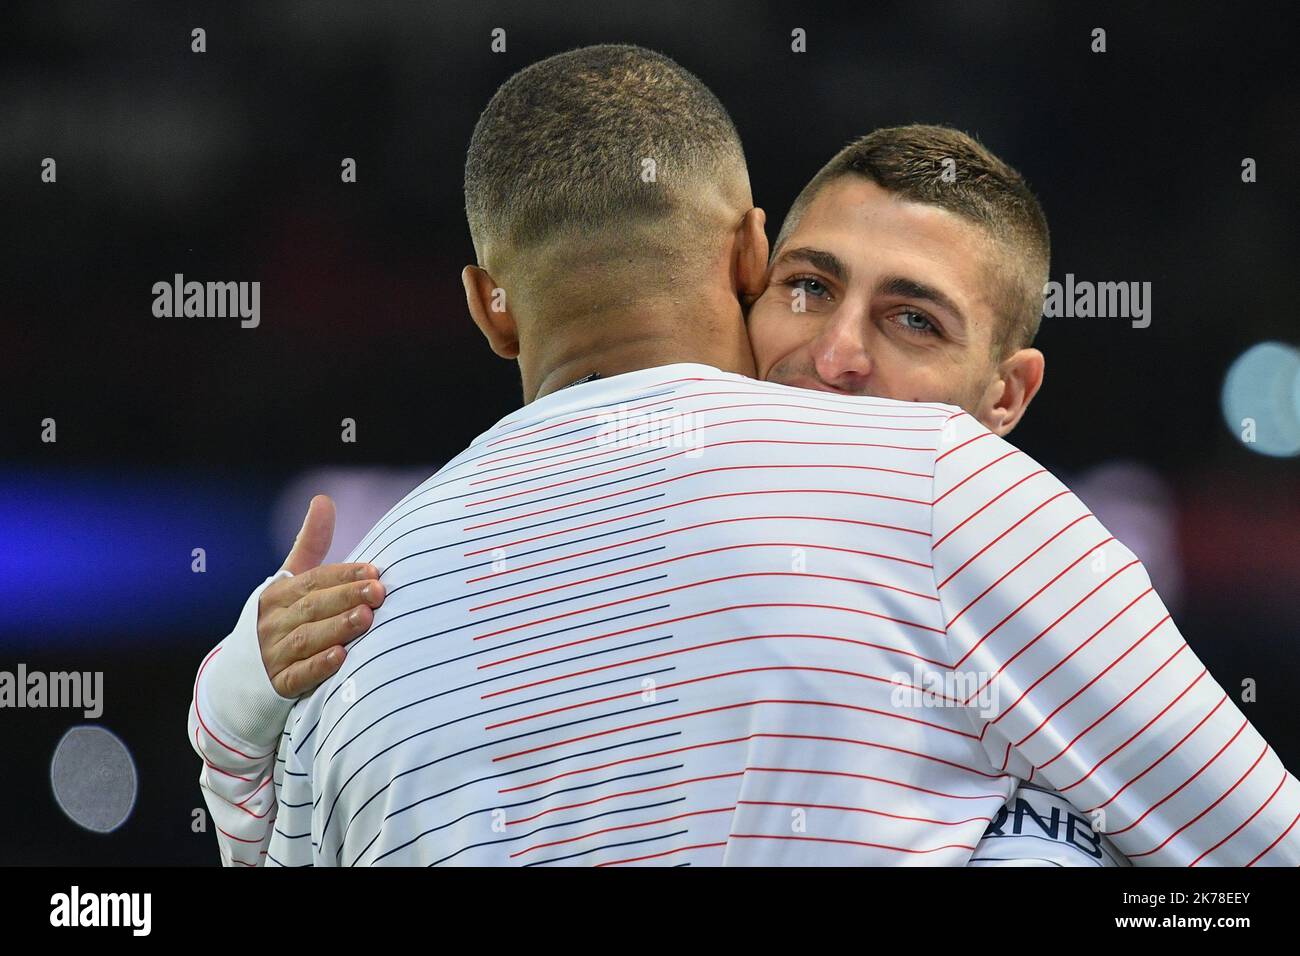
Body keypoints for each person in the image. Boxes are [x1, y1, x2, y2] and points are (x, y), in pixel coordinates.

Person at [189, 45, 1298, 866]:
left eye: (914, 319)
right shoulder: (942, 486)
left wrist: (235, 701)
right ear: (752, 254)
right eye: (810, 289)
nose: (838, 355)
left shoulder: (352, 632)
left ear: (490, 308)